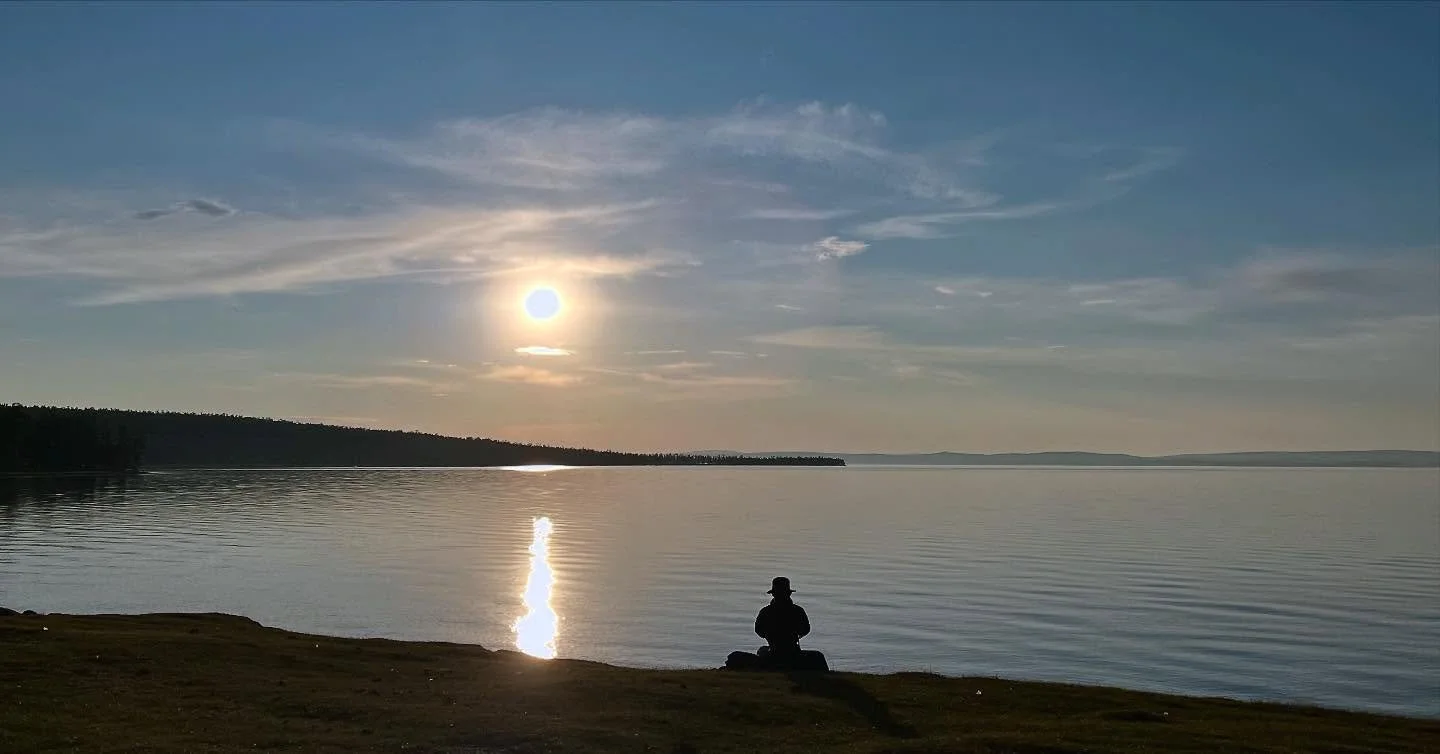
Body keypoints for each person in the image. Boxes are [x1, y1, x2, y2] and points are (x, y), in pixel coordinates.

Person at [754, 576, 809, 661]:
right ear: (789, 593)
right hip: (793, 652)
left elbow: (759, 631)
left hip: (773, 651)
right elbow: (805, 630)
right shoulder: (798, 611)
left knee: (762, 650)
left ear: (773, 594)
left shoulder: (765, 611)